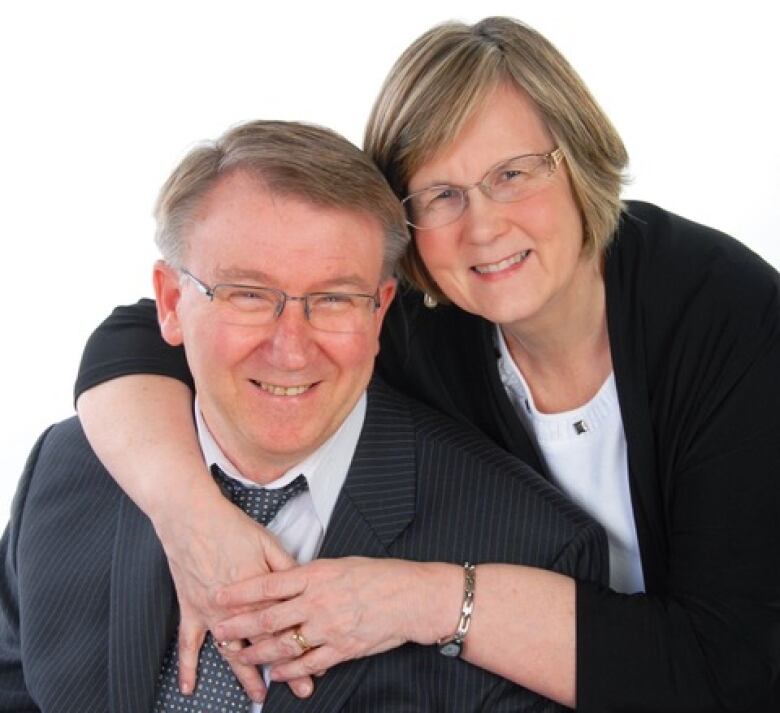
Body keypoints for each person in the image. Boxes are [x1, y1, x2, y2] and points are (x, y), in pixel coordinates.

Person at [73, 16, 780, 713]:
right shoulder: (411, 315)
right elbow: (143, 335)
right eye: (441, 194)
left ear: (579, 156)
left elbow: (731, 674)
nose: (483, 227)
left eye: (512, 173)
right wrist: (191, 517)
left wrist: (420, 599)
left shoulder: (728, 315)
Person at [0, 119, 606, 712]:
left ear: (380, 313)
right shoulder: (67, 469)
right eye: (248, 294)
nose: (290, 348)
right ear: (170, 303)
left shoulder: (529, 549)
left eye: (335, 299)